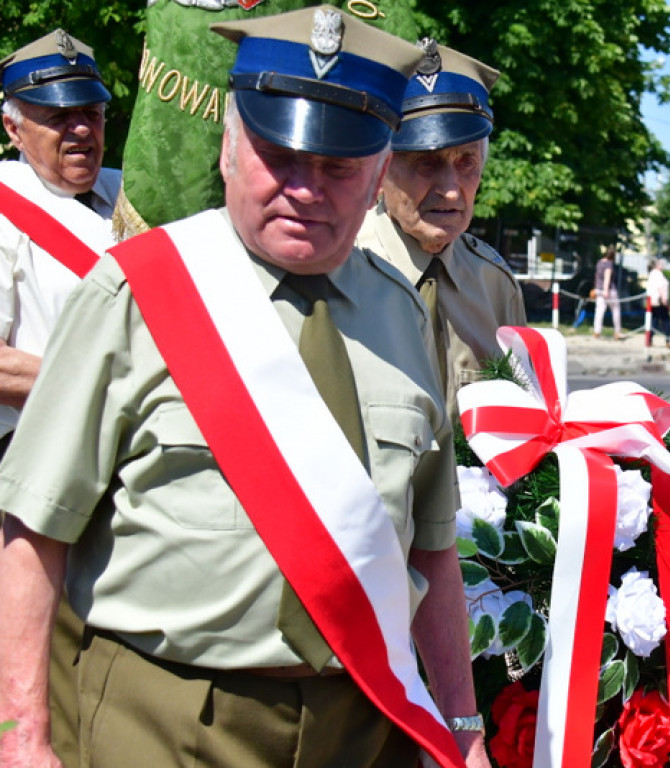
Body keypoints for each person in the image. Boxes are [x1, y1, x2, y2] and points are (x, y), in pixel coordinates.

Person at [0, 7, 486, 768]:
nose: (304, 188)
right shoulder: (137, 292)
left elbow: (431, 552)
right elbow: (33, 532)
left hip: (364, 721)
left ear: (379, 171)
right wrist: (20, 737)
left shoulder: (401, 312)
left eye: (338, 166)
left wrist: (461, 727)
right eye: (277, 154)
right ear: (230, 148)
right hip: (163, 720)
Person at [0, 28, 121, 766]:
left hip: (122, 478)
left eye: (92, 112)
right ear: (12, 124)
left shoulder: (127, 198)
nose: (80, 129)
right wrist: (105, 381)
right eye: (57, 116)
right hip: (28, 482)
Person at [356, 38, 525, 416]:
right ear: (380, 168)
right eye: (425, 162)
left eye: (466, 161)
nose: (450, 191)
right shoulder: (337, 268)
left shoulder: (494, 284)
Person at [593, 244, 622, 339]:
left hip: (598, 289)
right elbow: (607, 277)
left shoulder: (599, 262)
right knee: (616, 310)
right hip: (609, 290)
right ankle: (617, 331)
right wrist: (606, 290)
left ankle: (597, 331)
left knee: (599, 311)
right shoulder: (609, 264)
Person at [646, 258, 670, 348]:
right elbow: (661, 287)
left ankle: (649, 339)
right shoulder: (658, 274)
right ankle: (668, 339)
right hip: (660, 301)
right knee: (666, 320)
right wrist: (665, 300)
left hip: (652, 301)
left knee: (654, 320)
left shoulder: (651, 274)